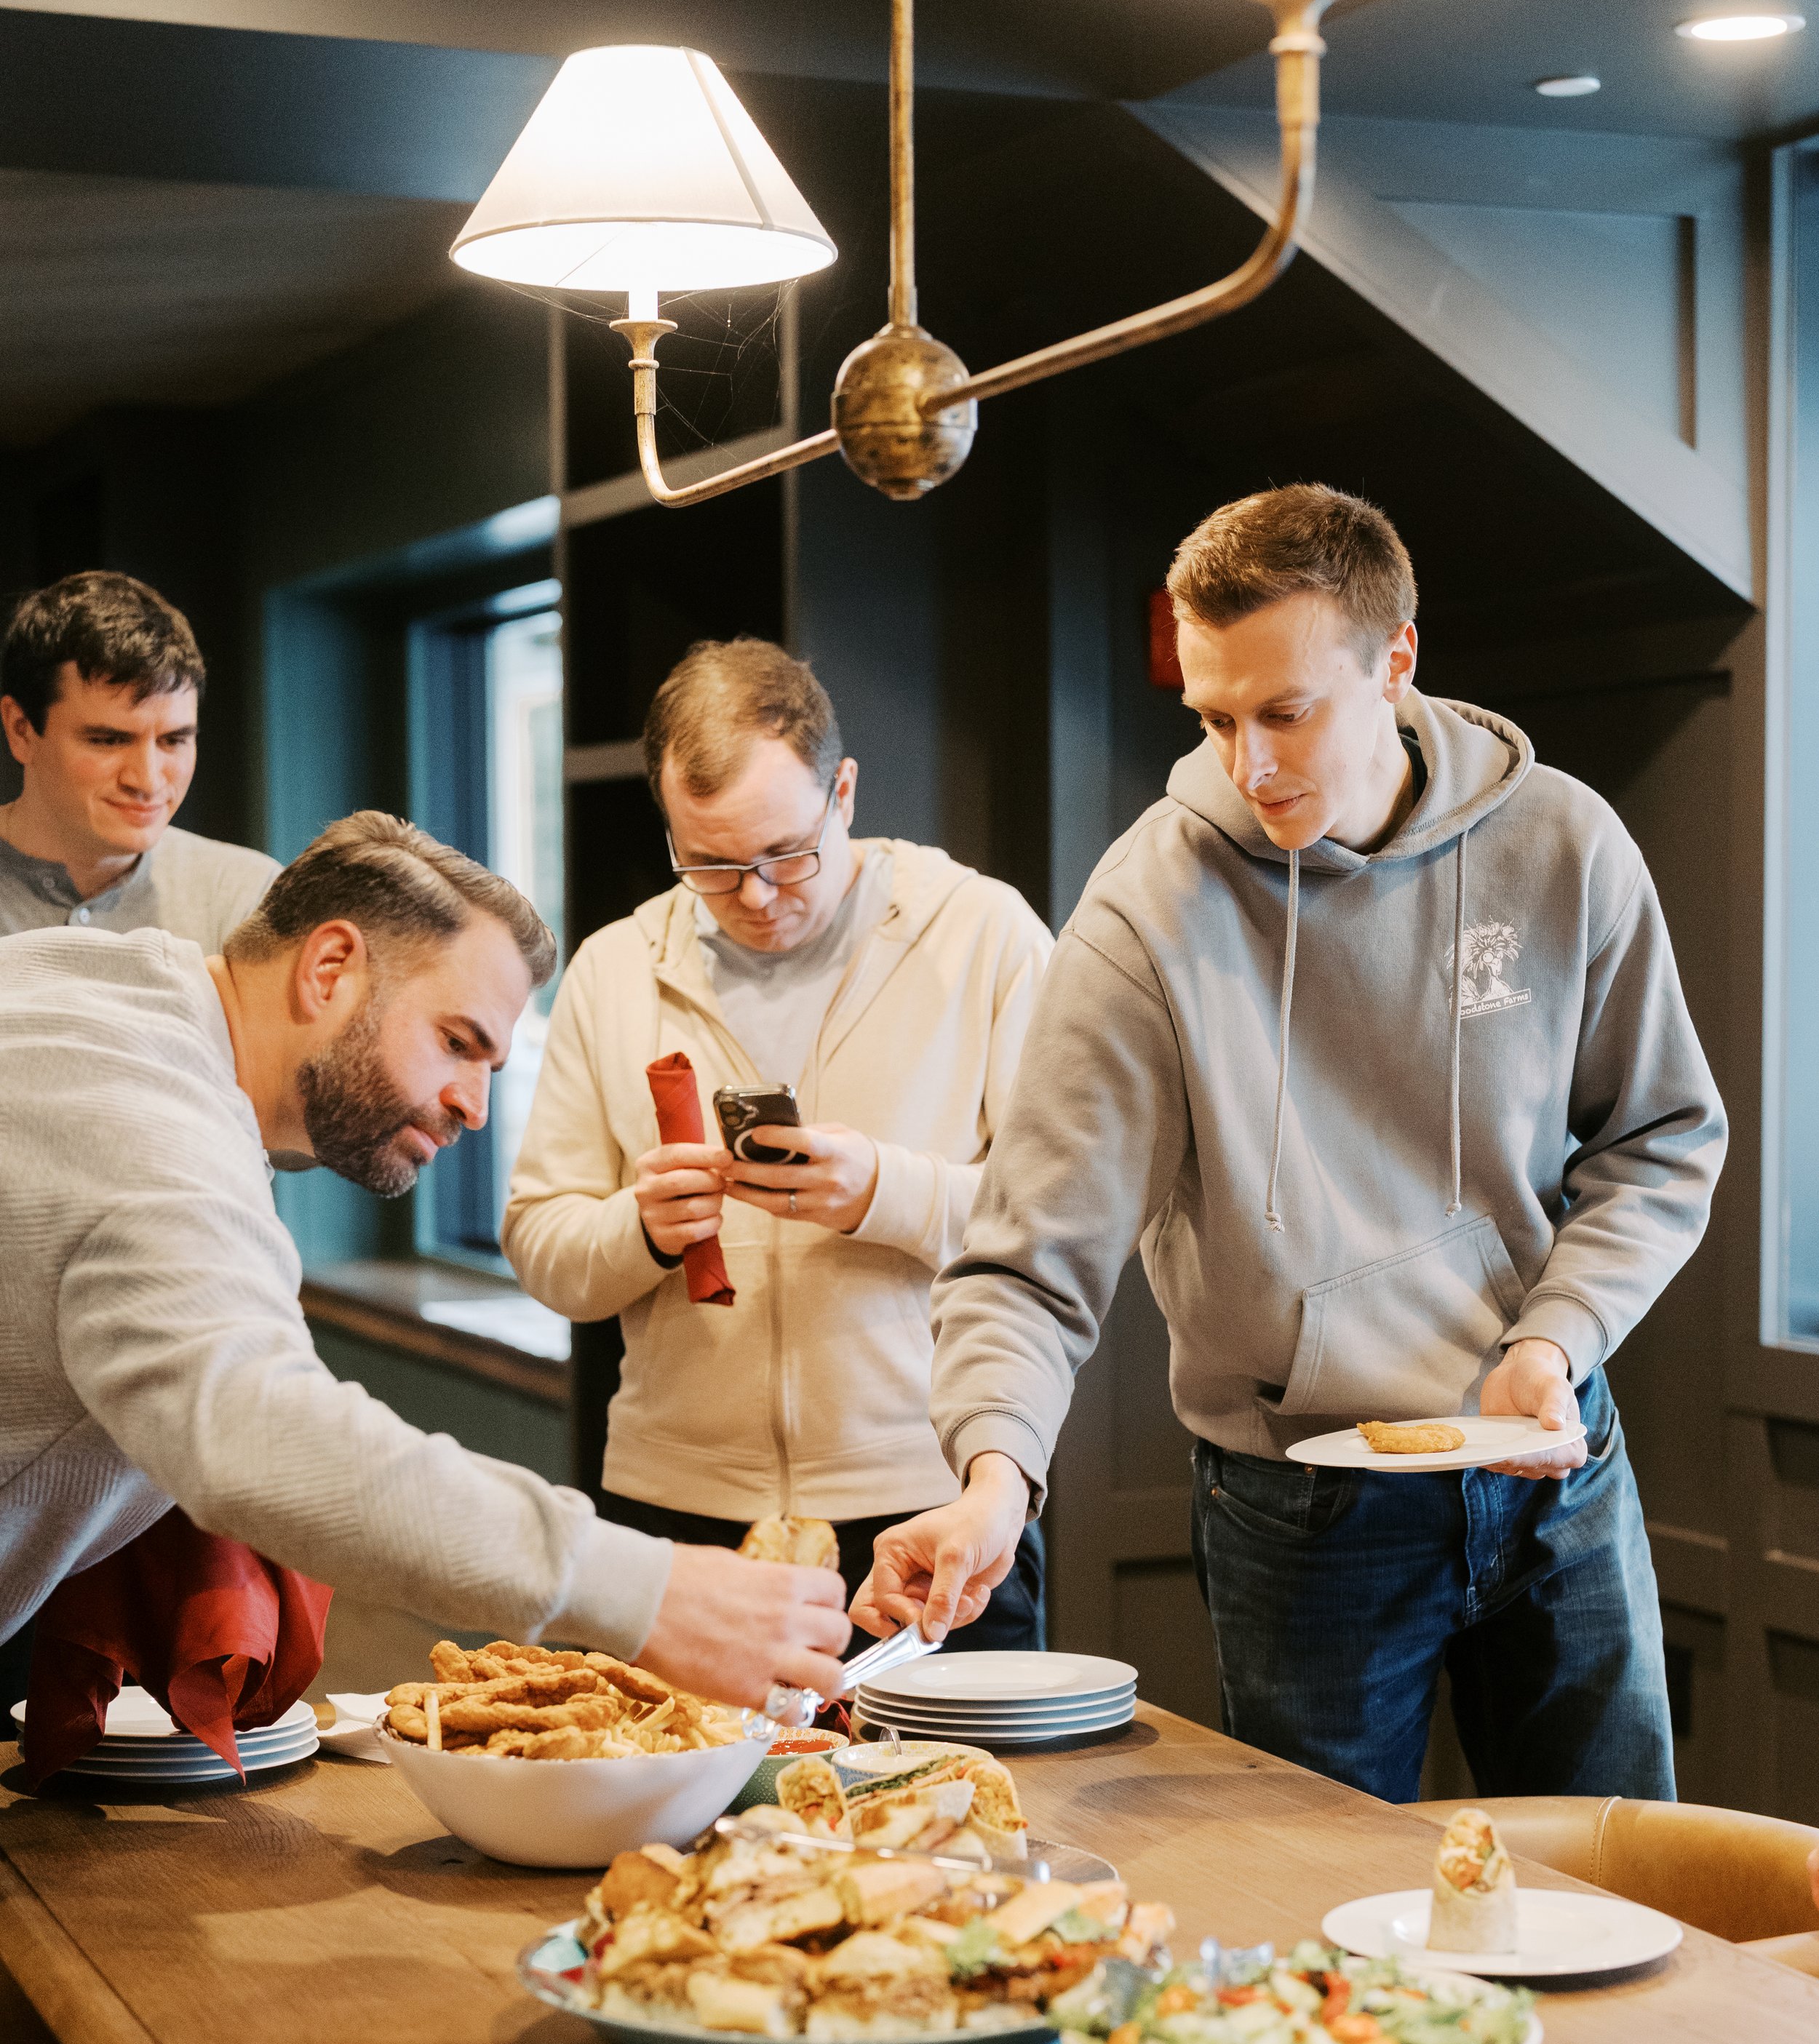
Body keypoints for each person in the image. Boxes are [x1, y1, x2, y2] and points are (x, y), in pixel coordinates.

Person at [856, 484, 1727, 1804]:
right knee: (1325, 1927)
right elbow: (1031, 1257)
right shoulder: (1150, 907)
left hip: (1554, 1460)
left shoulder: (1564, 844)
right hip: (1302, 1511)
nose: (1248, 764)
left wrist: (1553, 1342)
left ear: (1396, 663)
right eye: (1213, 719)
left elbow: (1661, 1140)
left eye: (1284, 711)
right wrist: (993, 1477)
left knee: (1629, 1889)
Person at [0, 811, 847, 1719]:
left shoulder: (107, 996)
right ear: (330, 968)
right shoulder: (141, 1115)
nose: (474, 1107)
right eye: (456, 1042)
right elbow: (259, 1428)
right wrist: (649, 1592)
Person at [503, 638, 1053, 1646]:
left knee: (956, 1800)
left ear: (844, 790)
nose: (757, 895)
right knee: (683, 1803)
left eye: (787, 854)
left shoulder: (983, 935)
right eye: (710, 863)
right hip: (677, 1505)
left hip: (932, 1490)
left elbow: (1066, 1220)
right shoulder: (615, 968)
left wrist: (885, 1190)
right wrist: (642, 1230)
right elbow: (543, 1244)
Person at [0, 570, 276, 946]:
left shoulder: (247, 899)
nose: (147, 781)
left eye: (174, 740)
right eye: (108, 740)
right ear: (21, 729)